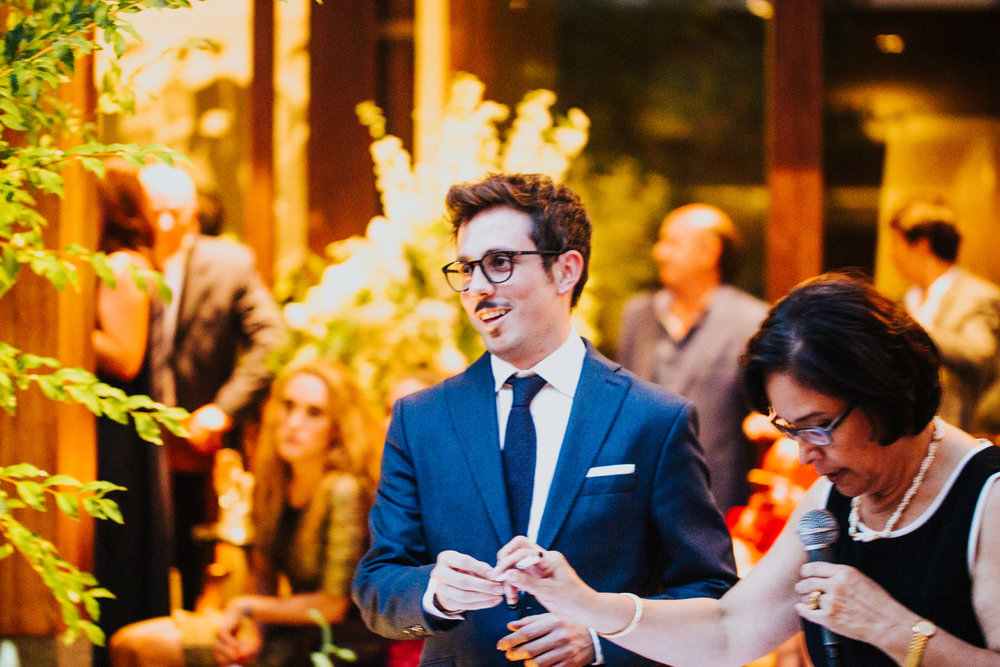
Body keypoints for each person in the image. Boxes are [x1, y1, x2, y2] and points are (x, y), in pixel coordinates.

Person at [497, 273, 1000, 667]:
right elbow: (728, 629)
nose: (805, 454)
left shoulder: (987, 497)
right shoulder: (834, 501)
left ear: (885, 394)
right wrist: (588, 604)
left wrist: (891, 628)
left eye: (819, 426)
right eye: (790, 429)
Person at [352, 173, 738, 666]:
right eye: (467, 269)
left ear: (565, 271)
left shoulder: (654, 420)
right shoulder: (421, 419)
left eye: (500, 264)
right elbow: (376, 587)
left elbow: (711, 595)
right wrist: (433, 592)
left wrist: (603, 639)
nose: (477, 288)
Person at [110, 359, 387, 666]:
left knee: (142, 648)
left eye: (314, 413)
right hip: (283, 629)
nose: (294, 422)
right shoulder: (275, 479)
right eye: (288, 406)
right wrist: (252, 631)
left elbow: (331, 606)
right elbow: (264, 574)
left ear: (338, 426)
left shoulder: (345, 490)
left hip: (336, 645)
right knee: (126, 644)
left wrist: (248, 608)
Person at [139, 162, 286, 610]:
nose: (164, 224)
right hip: (129, 440)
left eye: (176, 213)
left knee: (194, 564)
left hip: (196, 446)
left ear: (194, 214)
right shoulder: (118, 260)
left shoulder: (229, 264)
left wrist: (223, 409)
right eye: (154, 212)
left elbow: (273, 340)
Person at [617, 203, 768, 512]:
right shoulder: (638, 315)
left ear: (709, 251)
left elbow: (764, 421)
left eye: (672, 242)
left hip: (718, 503)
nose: (660, 252)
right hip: (638, 498)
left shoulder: (750, 321)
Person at [91, 159, 174, 667]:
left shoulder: (123, 266)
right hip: (118, 432)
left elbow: (124, 355)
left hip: (119, 438)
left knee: (118, 559)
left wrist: (61, 328)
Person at [889, 196, 1000, 435]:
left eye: (896, 243)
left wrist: (916, 332)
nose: (892, 256)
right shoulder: (906, 299)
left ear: (921, 245)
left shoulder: (977, 296)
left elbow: (979, 352)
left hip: (957, 430)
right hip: (907, 430)